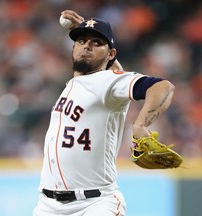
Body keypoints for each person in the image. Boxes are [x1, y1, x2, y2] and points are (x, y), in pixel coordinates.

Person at [33, 10, 175, 216]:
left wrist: (140, 125)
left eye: (97, 43)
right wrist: (83, 26)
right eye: (81, 40)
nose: (87, 45)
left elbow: (163, 87)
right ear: (73, 47)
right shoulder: (76, 84)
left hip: (94, 204)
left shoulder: (106, 82)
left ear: (111, 54)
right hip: (48, 206)